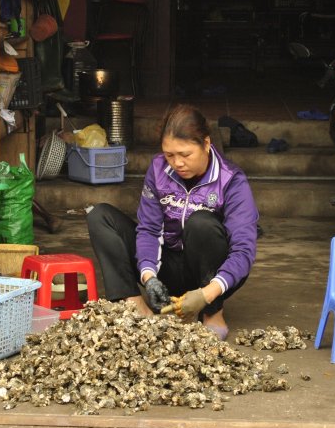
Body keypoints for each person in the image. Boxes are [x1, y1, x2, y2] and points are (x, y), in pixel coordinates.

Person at [86, 104, 259, 340]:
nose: (177, 163)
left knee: (201, 223)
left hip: (208, 276)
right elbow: (148, 229)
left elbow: (243, 251)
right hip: (167, 267)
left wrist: (207, 294)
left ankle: (213, 313)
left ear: (206, 144)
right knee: (100, 216)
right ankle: (137, 307)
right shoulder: (159, 169)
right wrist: (149, 277)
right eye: (169, 155)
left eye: (185, 154)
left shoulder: (231, 180)